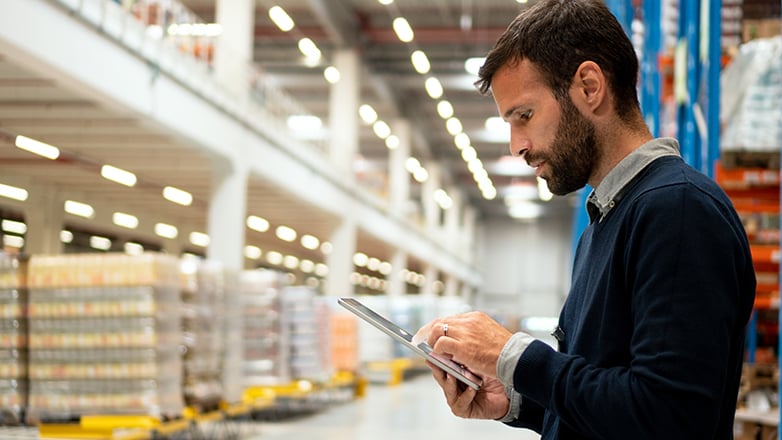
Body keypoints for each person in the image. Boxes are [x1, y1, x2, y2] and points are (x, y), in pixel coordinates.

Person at [415, 1, 756, 438]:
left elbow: (671, 418)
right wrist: (515, 400)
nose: (516, 145)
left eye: (524, 115)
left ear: (590, 86)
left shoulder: (677, 211)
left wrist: (514, 354)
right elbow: (609, 405)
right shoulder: (605, 222)